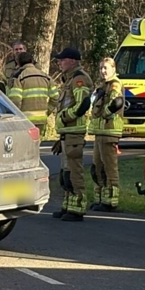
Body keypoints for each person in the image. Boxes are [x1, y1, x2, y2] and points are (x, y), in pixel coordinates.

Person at [51, 47, 93, 221]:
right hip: (67, 133)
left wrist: (65, 117)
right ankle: (68, 206)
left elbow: (82, 104)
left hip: (74, 132)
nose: (59, 62)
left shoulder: (79, 79)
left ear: (73, 61)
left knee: (73, 172)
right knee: (65, 174)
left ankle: (77, 209)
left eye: (62, 59)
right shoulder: (68, 80)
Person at [88, 57, 125, 212]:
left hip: (109, 132)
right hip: (99, 132)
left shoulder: (115, 84)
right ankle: (100, 199)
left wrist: (105, 113)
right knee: (97, 167)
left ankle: (111, 202)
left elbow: (117, 102)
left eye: (106, 68)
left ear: (113, 69)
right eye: (101, 68)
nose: (103, 71)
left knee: (110, 169)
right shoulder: (102, 86)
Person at [6, 50, 58, 130]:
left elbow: (15, 100)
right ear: (32, 61)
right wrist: (47, 111)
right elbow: (55, 97)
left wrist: (16, 116)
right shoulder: (46, 77)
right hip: (41, 119)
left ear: (18, 63)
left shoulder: (19, 77)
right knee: (38, 142)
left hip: (25, 121)